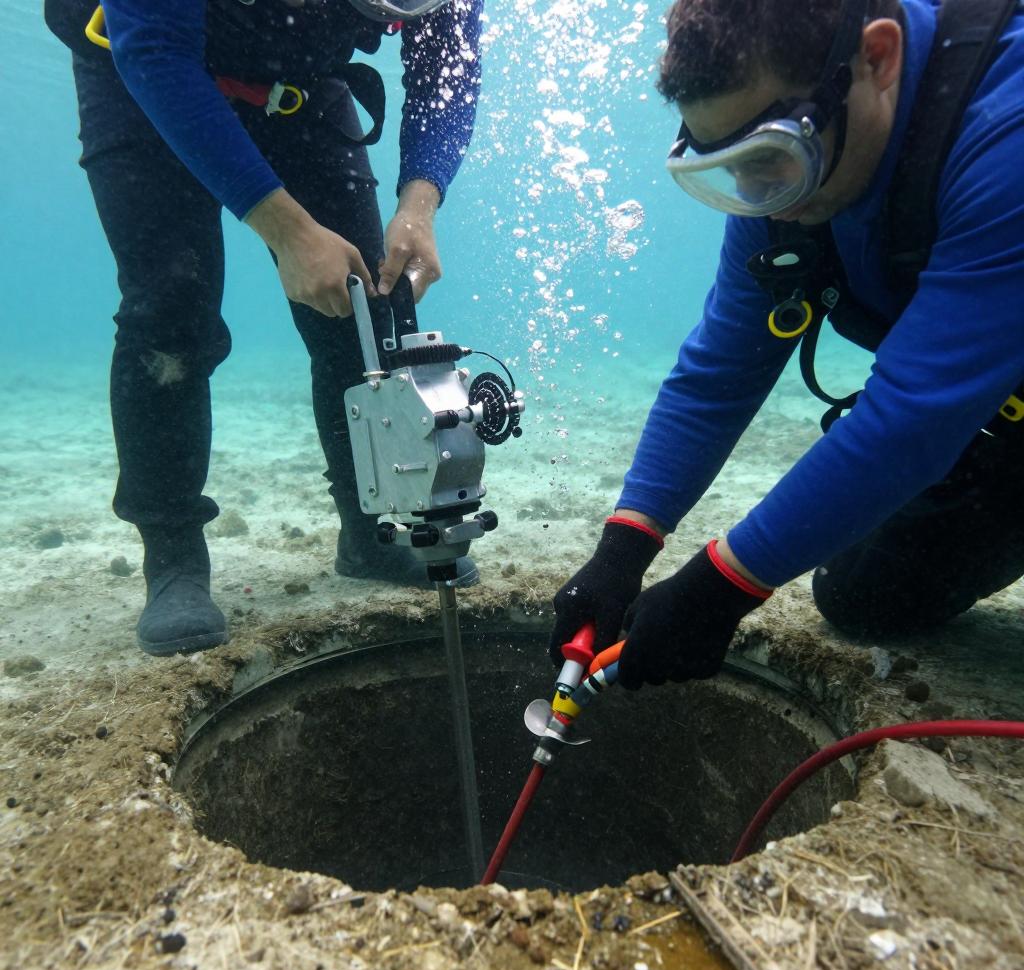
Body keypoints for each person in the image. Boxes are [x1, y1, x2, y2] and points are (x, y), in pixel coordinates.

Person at [550, 0, 1024, 689]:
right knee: (864, 596)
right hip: (999, 415)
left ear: (878, 58)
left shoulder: (1008, 131)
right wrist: (622, 550)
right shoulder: (786, 181)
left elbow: (913, 418)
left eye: (771, 156)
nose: (762, 195)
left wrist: (722, 585)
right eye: (730, 165)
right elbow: (720, 372)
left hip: (959, 407)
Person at [44, 0, 483, 656]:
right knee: (171, 313)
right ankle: (173, 556)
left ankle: (367, 530)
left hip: (298, 87)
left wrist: (420, 203)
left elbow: (449, 68)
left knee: (364, 307)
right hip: (146, 74)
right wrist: (288, 230)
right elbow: (155, 51)